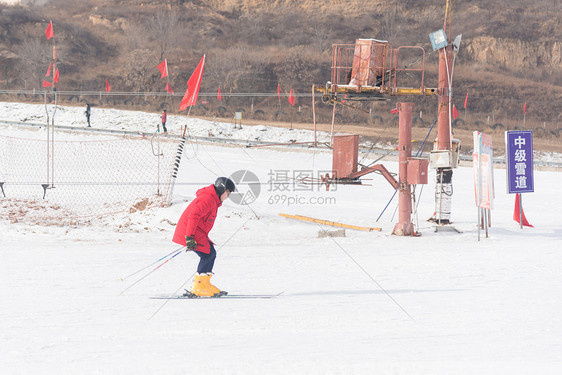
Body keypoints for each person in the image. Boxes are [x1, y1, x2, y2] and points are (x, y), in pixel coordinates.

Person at [172, 177, 236, 297]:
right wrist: (189, 237)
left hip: (197, 231)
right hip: (190, 231)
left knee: (210, 253)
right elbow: (193, 216)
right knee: (207, 254)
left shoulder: (213, 200)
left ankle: (205, 284)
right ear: (222, 189)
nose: (228, 196)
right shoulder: (207, 199)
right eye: (228, 192)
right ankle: (198, 287)